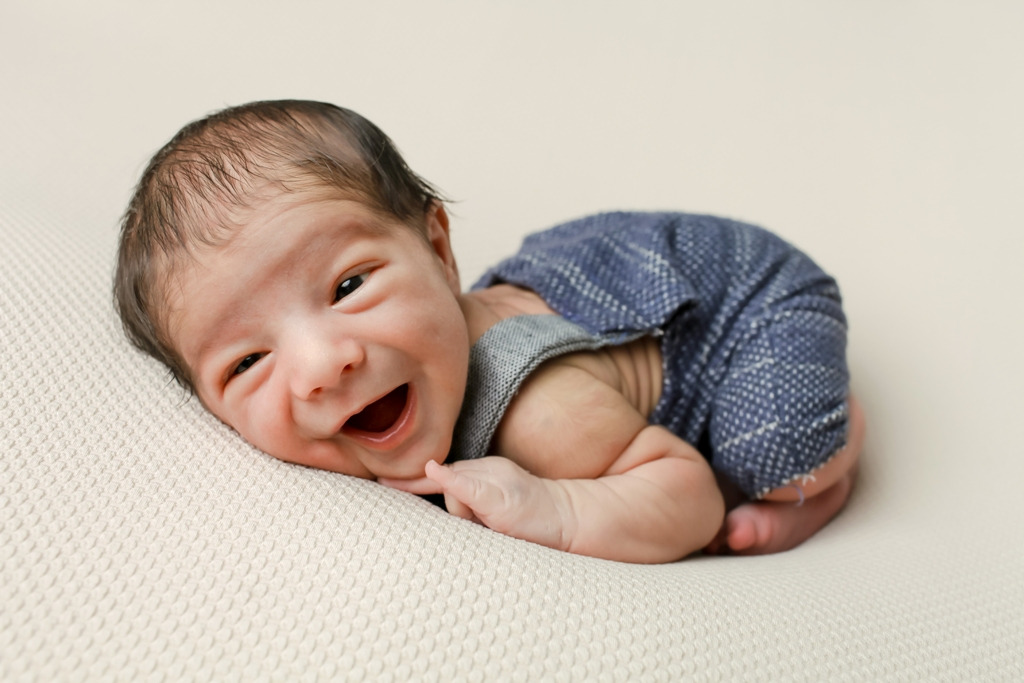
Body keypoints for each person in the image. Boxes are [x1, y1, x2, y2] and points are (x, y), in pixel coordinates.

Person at [115, 99, 864, 564]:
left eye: (348, 286)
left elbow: (690, 494)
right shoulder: (396, 362)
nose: (320, 364)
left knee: (774, 453)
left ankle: (833, 472)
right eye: (247, 361)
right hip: (599, 277)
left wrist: (561, 508)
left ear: (440, 251)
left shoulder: (537, 409)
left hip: (743, 296)